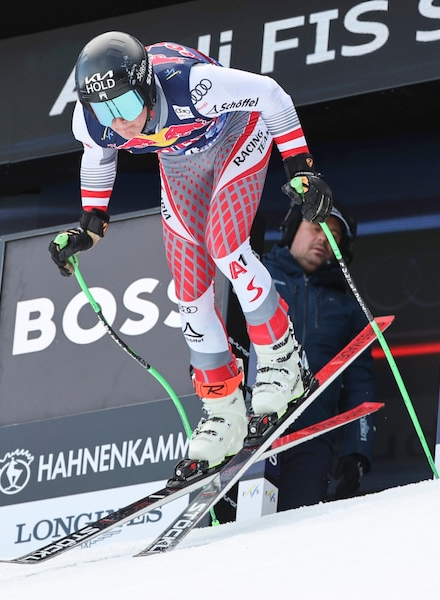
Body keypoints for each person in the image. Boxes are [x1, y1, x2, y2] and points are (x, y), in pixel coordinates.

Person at [49, 31, 335, 474]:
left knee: (226, 247)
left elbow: (272, 95)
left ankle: (282, 360)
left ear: (145, 86)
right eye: (105, 111)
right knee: (189, 293)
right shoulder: (92, 122)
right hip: (180, 163)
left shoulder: (193, 85)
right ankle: (223, 411)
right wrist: (90, 225)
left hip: (238, 135)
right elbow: (99, 157)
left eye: (124, 106)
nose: (119, 123)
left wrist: (300, 166)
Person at [261, 201, 376, 509]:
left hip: (312, 435)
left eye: (333, 235)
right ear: (292, 229)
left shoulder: (349, 308)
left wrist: (357, 452)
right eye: (316, 228)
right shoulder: (254, 278)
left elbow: (359, 382)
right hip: (249, 429)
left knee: (297, 526)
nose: (323, 239)